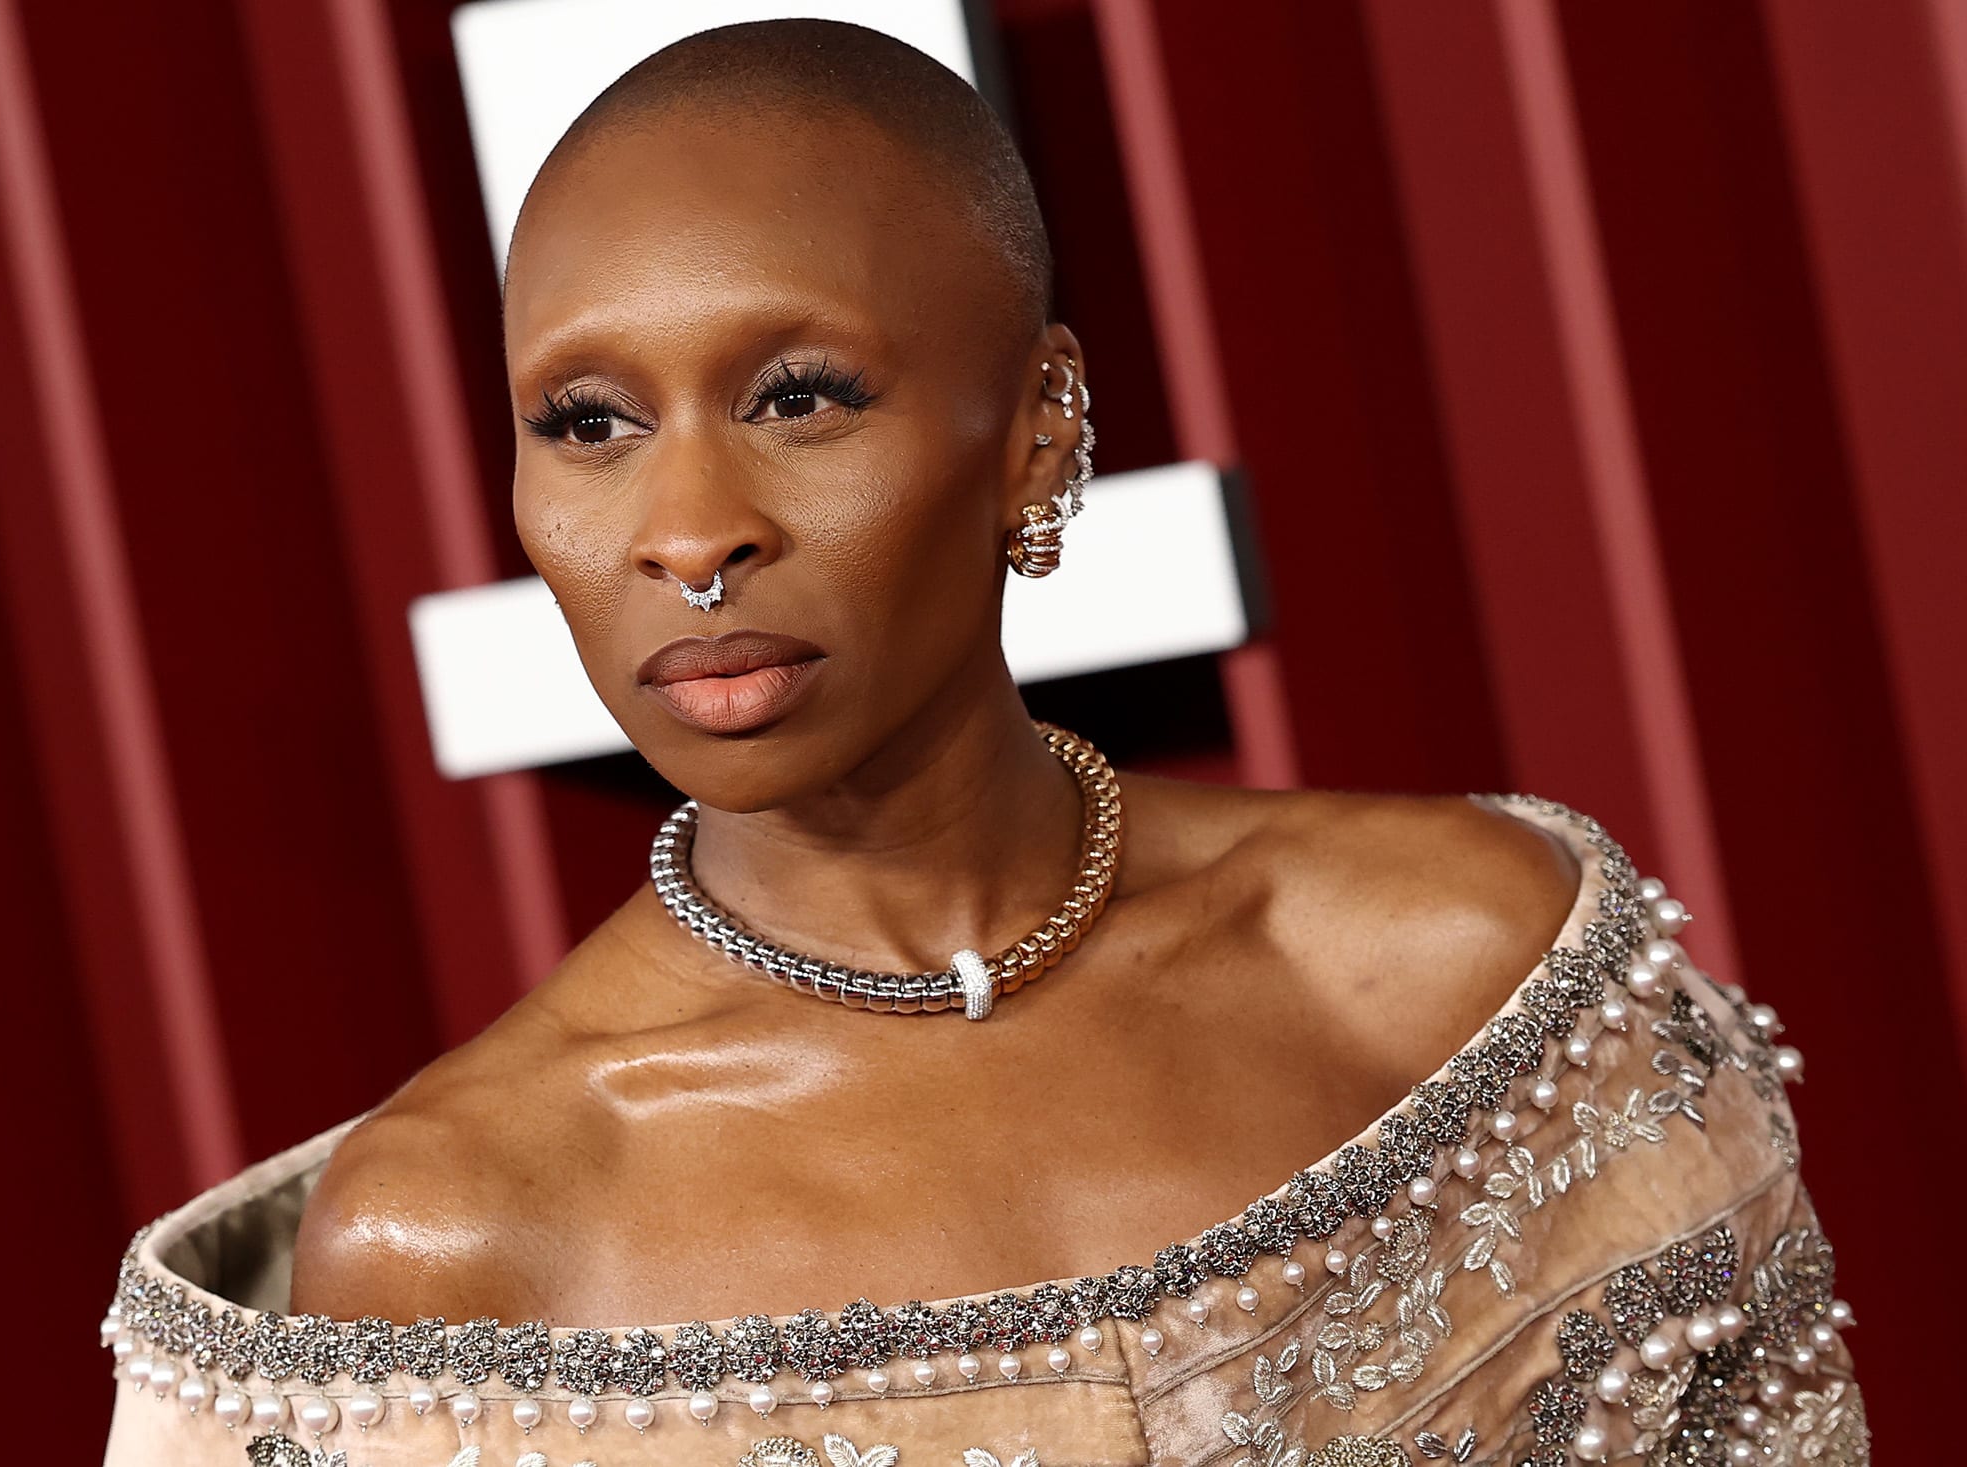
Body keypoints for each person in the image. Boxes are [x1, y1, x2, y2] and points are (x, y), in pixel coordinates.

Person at [98, 20, 1865, 1467]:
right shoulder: (458, 1235)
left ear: (1037, 426)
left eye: (799, 397)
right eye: (588, 422)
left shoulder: (1465, 965)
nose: (685, 528)